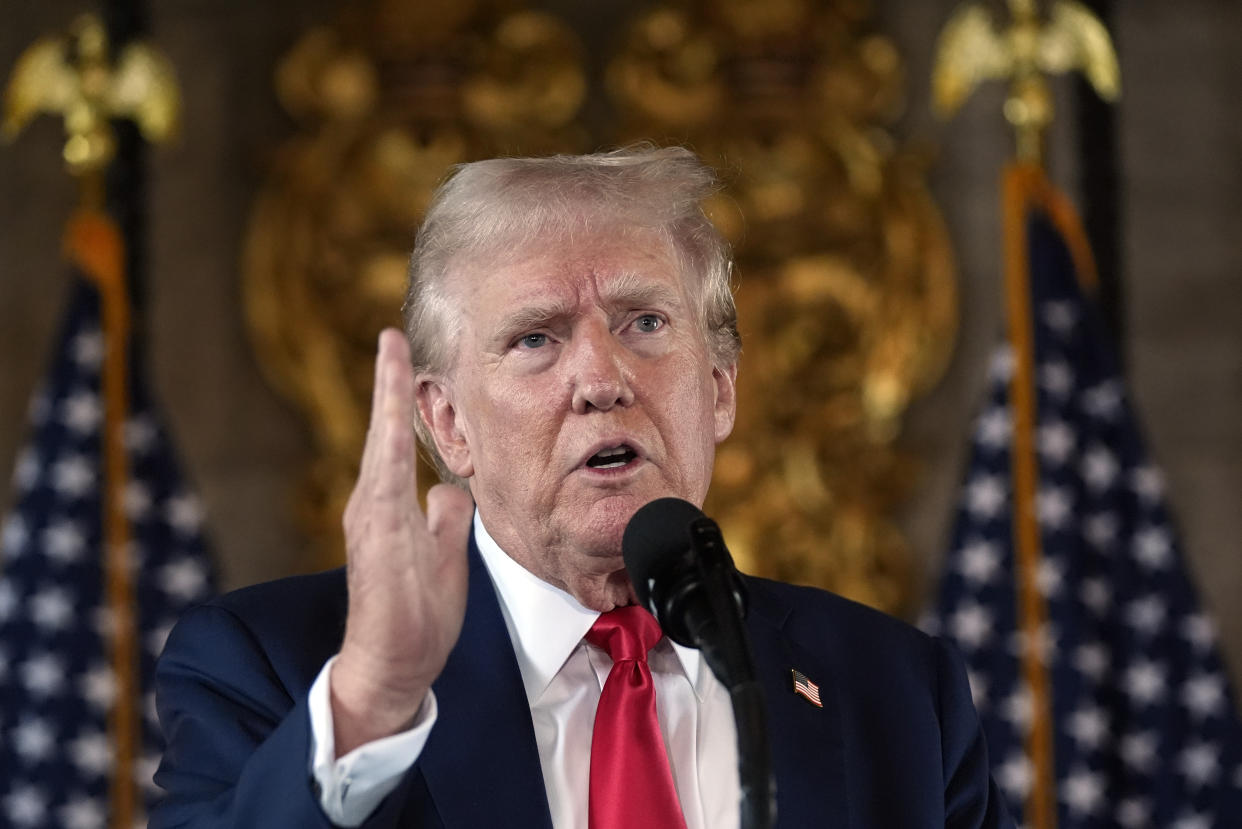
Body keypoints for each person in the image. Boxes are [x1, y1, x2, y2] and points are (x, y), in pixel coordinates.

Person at [151, 146, 1012, 828]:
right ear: (447, 423)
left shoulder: (895, 690)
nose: (602, 377)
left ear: (719, 387)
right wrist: (370, 703)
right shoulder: (273, 668)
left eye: (645, 322)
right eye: (535, 338)